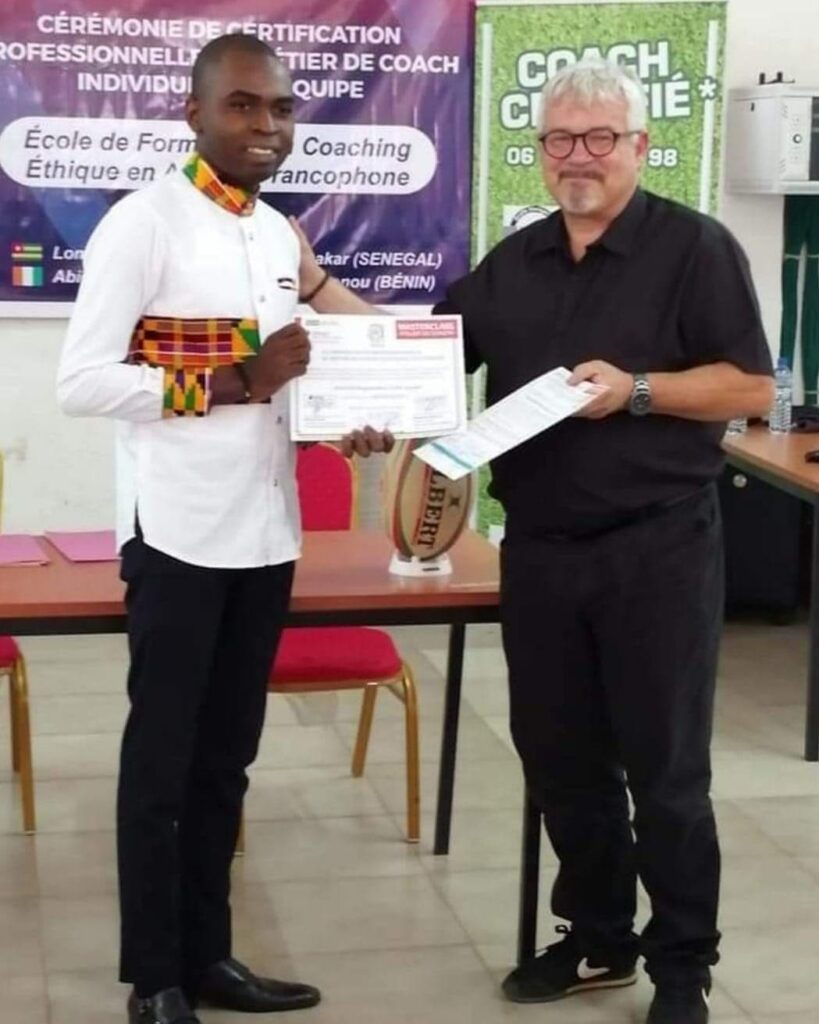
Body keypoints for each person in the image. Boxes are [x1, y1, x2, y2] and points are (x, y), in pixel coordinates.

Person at [294, 57, 775, 1024]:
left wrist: (637, 390)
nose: (577, 157)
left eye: (599, 138)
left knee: (666, 774)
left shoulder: (695, 248)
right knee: (562, 763)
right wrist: (319, 293)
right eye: (559, 139)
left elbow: (750, 386)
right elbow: (423, 361)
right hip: (544, 552)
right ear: (541, 151)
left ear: (639, 146)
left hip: (659, 548)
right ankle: (599, 938)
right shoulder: (515, 263)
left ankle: (683, 965)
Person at [57, 34, 391, 1024]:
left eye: (281, 109)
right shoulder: (142, 224)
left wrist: (357, 407)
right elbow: (83, 382)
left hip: (266, 531)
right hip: (177, 533)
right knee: (161, 766)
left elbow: (313, 366)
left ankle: (208, 956)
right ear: (194, 113)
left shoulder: (278, 234)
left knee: (225, 762)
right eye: (243, 105)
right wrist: (235, 380)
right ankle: (154, 977)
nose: (266, 127)